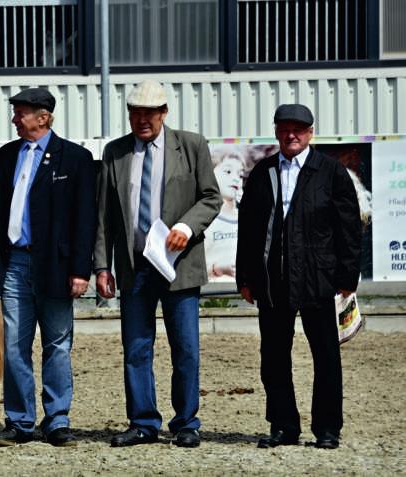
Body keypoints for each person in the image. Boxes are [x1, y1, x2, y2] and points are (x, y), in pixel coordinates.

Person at [94, 79, 221, 448]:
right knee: (135, 347)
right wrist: (103, 267)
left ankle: (186, 422)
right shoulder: (114, 152)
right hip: (134, 266)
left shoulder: (192, 145)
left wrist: (186, 226)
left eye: (149, 113)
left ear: (164, 113)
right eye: (135, 113)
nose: (141, 120)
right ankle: (143, 422)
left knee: (186, 348)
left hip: (179, 265)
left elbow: (211, 198)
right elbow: (104, 216)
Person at [235, 104, 362, 450]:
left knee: (325, 355)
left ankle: (327, 429)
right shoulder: (262, 172)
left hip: (318, 280)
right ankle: (283, 426)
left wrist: (348, 275)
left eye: (299, 129)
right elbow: (248, 229)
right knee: (274, 355)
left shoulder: (331, 173)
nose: (291, 135)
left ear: (310, 133)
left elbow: (349, 227)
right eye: (285, 128)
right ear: (276, 131)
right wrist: (244, 277)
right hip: (272, 281)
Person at [0, 88, 96, 447]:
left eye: (22, 113)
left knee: (57, 343)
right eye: (16, 113)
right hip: (13, 262)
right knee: (14, 344)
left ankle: (57, 420)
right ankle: (19, 420)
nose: (16, 119)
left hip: (56, 266)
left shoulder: (75, 159)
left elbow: (84, 219)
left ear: (43, 117)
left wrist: (80, 269)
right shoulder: (2, 159)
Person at [204, 149, 246, 281]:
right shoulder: (204, 221)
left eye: (240, 175)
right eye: (228, 171)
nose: (235, 178)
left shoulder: (247, 220)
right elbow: (191, 269)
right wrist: (218, 268)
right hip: (214, 296)